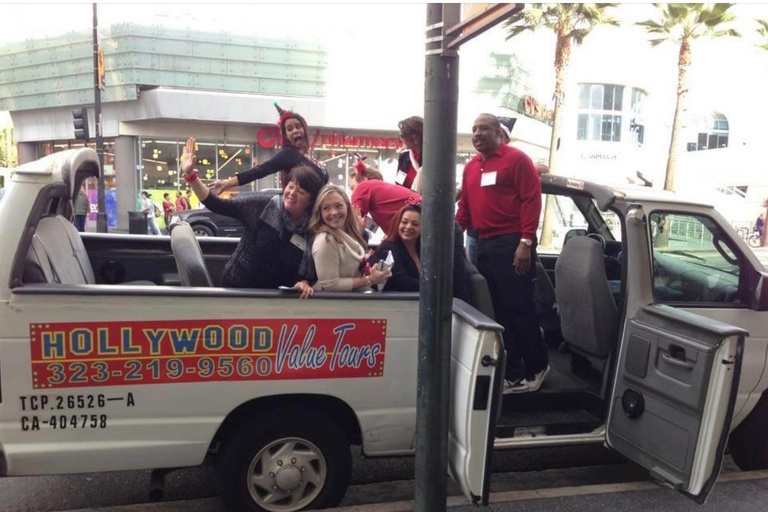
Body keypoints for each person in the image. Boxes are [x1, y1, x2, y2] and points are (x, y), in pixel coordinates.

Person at [456, 113, 548, 394]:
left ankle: (538, 367)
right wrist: (452, 236)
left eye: (484, 128)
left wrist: (526, 242)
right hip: (482, 245)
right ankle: (514, 372)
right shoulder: (471, 167)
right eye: (474, 129)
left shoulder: (516, 159)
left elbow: (532, 200)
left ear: (499, 133)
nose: (477, 133)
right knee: (498, 313)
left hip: (511, 244)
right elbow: (466, 210)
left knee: (518, 308)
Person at [181, 137, 323, 292]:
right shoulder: (262, 205)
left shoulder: (312, 227)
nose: (292, 193)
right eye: (290, 186)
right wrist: (191, 177)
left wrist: (304, 281)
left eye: (301, 191)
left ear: (310, 201)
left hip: (276, 296)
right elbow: (217, 204)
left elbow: (311, 267)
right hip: (238, 289)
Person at [212, 104, 329, 194]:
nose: (295, 131)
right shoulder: (289, 155)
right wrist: (225, 184)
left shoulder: (310, 155)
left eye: (298, 127)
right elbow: (260, 170)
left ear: (304, 129)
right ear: (286, 136)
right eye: (289, 129)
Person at [371, 203, 469, 301]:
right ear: (398, 224)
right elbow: (400, 282)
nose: (408, 227)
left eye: (415, 224)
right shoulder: (387, 248)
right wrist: (434, 286)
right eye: (404, 222)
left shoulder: (424, 249)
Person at [308, 185, 390, 292]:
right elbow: (330, 285)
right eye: (326, 208)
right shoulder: (325, 240)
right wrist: (370, 279)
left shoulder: (347, 234)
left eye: (338, 206)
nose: (333, 212)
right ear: (320, 213)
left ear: (347, 206)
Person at [350, 162, 421, 236]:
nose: (352, 193)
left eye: (353, 187)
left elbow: (352, 219)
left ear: (365, 179)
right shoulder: (381, 195)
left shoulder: (363, 186)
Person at [396, 116, 423, 192]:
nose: (401, 140)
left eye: (402, 136)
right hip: (406, 201)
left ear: (415, 139)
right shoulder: (404, 156)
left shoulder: (432, 158)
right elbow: (398, 184)